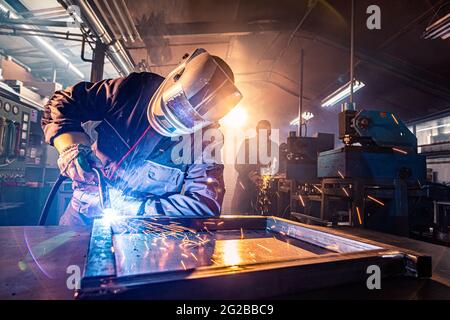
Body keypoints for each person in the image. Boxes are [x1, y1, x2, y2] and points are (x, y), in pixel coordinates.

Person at [41, 48, 242, 226]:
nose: (178, 120)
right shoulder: (133, 89)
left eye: (192, 120)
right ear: (176, 79)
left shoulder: (206, 139)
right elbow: (63, 103)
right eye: (178, 106)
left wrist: (133, 208)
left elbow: (204, 205)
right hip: (82, 212)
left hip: (140, 228)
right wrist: (71, 147)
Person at [231, 120, 279, 214]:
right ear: (257, 130)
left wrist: (267, 177)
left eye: (266, 130)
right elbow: (238, 164)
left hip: (263, 187)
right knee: (239, 214)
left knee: (261, 214)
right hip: (244, 187)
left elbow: (278, 167)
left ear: (270, 132)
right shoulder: (247, 144)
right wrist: (250, 174)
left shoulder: (274, 146)